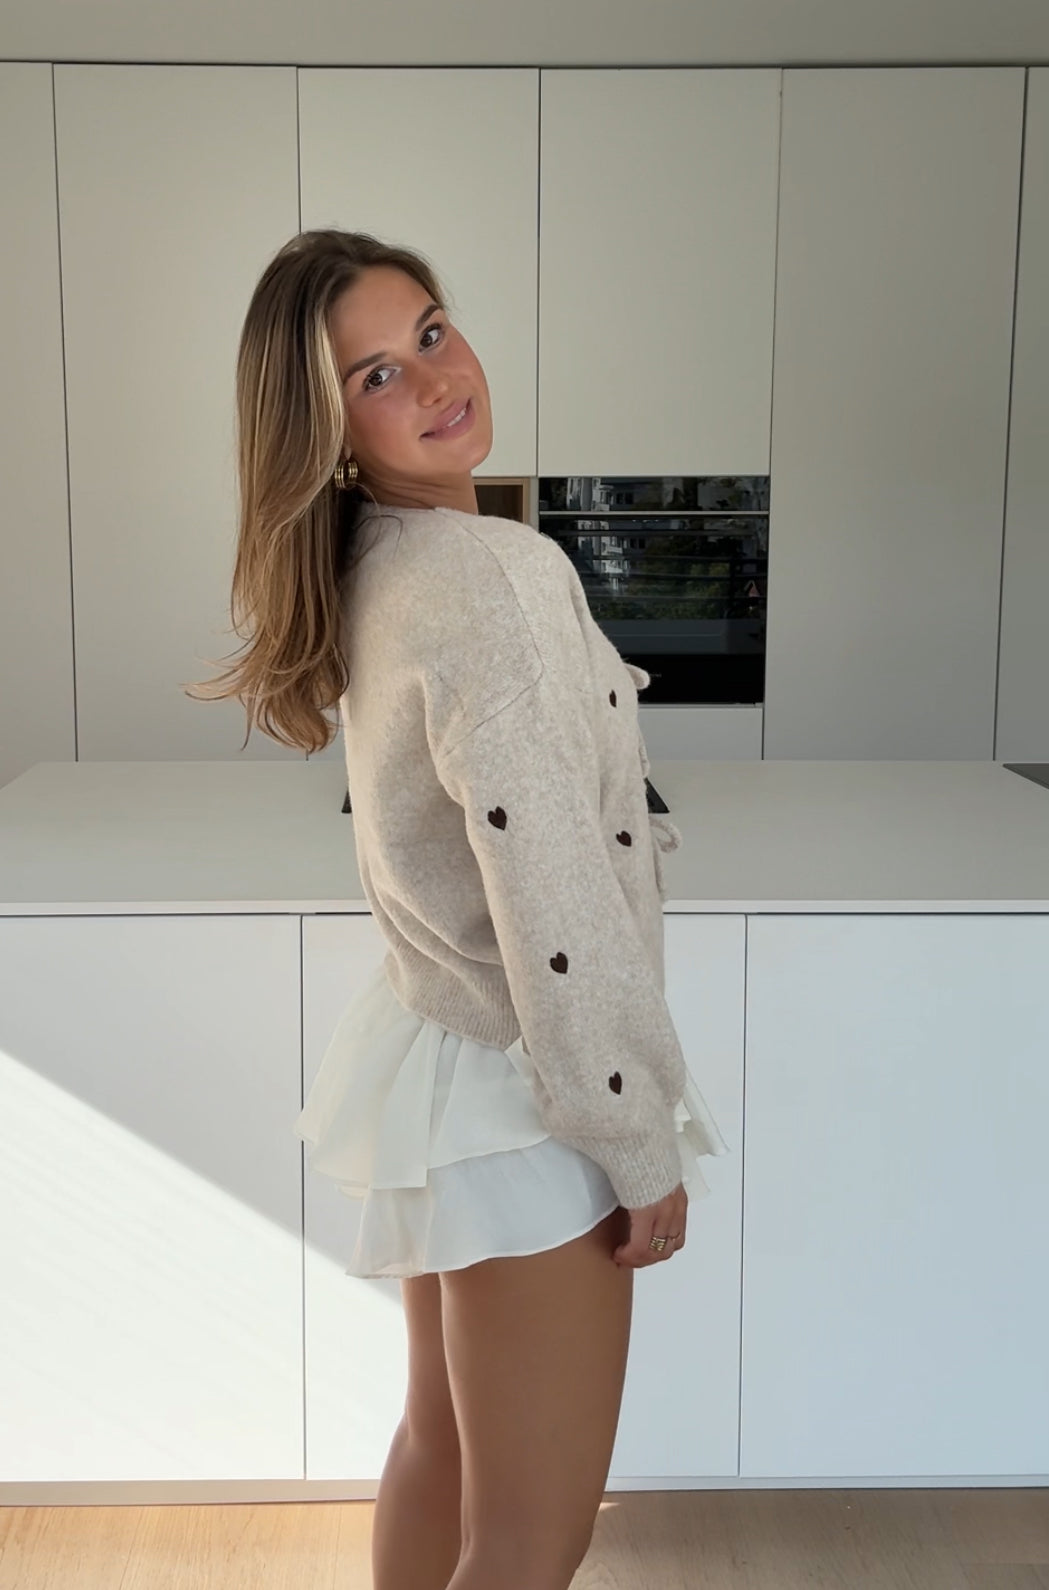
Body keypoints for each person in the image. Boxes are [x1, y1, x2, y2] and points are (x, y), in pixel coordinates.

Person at [187, 229, 729, 1590]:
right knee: (533, 1538)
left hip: (442, 1057)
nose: (435, 379)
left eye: (430, 331)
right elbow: (551, 888)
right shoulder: (490, 576)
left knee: (439, 1444)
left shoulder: (381, 558)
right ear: (327, 431)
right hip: (527, 1081)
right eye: (377, 373)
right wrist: (634, 1132)